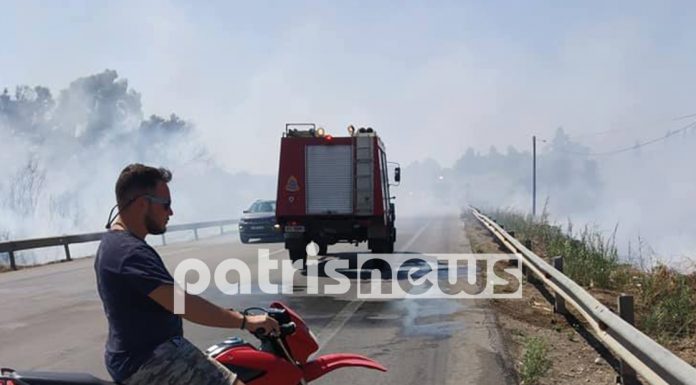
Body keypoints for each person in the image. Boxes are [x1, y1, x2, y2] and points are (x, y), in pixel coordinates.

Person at [95, 163, 279, 385]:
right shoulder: (129, 252)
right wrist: (245, 321)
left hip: (141, 354)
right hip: (150, 360)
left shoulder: (114, 243)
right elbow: (182, 304)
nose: (171, 212)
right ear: (143, 203)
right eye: (166, 205)